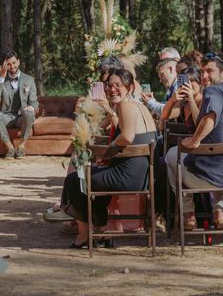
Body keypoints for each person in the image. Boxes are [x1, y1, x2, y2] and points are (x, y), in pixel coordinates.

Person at [60, 68, 157, 248]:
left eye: (117, 85)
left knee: (76, 179)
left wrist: (107, 152)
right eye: (108, 86)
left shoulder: (126, 106)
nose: (112, 89)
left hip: (126, 176)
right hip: (143, 177)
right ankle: (102, 231)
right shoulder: (141, 107)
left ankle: (85, 234)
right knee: (93, 176)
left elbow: (127, 136)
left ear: (128, 87)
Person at [165, 52, 223, 231]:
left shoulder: (212, 91)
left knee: (170, 156)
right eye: (203, 72)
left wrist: (194, 141)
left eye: (210, 71)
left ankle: (188, 214)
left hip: (207, 178)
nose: (205, 76)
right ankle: (219, 211)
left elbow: (209, 119)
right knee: (218, 158)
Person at [0, 50, 39, 159]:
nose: (12, 66)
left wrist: (30, 107)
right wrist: (2, 78)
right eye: (8, 64)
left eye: (14, 63)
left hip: (21, 117)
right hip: (6, 116)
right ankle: (10, 148)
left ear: (18, 62)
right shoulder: (0, 80)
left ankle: (21, 146)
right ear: (4, 65)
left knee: (29, 113)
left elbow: (34, 102)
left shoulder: (29, 80)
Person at [160, 65, 203, 131]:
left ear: (200, 83)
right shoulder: (183, 103)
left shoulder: (204, 101)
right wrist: (172, 100)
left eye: (191, 80)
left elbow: (200, 125)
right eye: (185, 81)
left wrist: (191, 100)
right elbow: (162, 123)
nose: (188, 84)